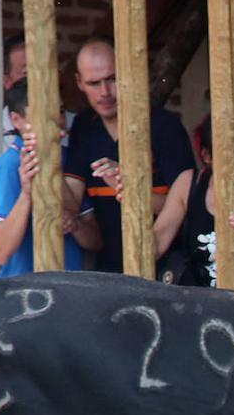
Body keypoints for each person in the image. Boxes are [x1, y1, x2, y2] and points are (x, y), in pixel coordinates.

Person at [63, 36, 196, 275]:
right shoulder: (83, 127)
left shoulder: (165, 126)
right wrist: (42, 159)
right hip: (107, 269)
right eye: (94, 83)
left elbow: (186, 207)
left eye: (112, 79)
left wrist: (131, 189)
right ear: (79, 82)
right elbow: (70, 202)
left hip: (165, 269)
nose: (105, 92)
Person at [146, 118, 234, 295]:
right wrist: (132, 200)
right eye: (227, 155)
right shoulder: (189, 183)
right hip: (199, 303)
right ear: (207, 156)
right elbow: (159, 240)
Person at [0, 78, 100, 277]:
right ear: (16, 120)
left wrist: (74, 225)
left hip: (69, 290)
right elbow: (0, 252)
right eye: (43, 115)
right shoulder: (8, 167)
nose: (56, 120)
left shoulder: (69, 158)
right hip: (24, 295)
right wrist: (26, 195)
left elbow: (95, 241)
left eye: (61, 112)